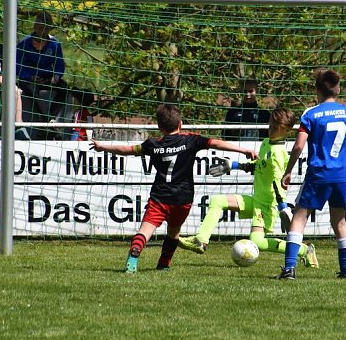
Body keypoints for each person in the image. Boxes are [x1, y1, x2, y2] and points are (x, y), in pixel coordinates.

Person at [89, 104, 257, 274]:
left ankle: (135, 252)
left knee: (145, 231)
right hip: (182, 199)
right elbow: (216, 144)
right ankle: (164, 264)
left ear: (159, 127)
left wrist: (102, 147)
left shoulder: (153, 144)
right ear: (180, 124)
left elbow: (127, 150)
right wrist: (243, 150)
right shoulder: (190, 140)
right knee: (173, 232)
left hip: (159, 197)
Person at [177, 106, 318, 267]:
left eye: (275, 127)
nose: (270, 129)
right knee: (218, 201)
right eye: (270, 125)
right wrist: (233, 165)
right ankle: (200, 241)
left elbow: (277, 181)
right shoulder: (266, 143)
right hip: (256, 199)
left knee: (257, 241)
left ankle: (304, 249)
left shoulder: (279, 153)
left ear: (286, 130)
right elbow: (258, 166)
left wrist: (282, 207)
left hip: (267, 205)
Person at [278, 69, 346, 281]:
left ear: (317, 90)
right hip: (342, 176)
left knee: (299, 217)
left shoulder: (310, 114)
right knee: (339, 222)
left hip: (318, 174)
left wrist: (288, 170)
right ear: (338, 90)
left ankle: (289, 269)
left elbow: (298, 146)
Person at [16, 10, 68, 124]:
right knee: (30, 88)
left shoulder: (55, 44)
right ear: (35, 27)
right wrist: (29, 76)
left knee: (64, 87)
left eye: (46, 29)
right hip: (29, 79)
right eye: (40, 28)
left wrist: (56, 76)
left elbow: (59, 64)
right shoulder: (24, 43)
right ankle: (47, 118)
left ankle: (53, 115)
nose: (43, 32)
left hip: (47, 78)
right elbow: (17, 66)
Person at [223, 77, 270, 141]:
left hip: (259, 146)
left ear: (257, 91)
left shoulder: (264, 114)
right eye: (245, 91)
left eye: (251, 91)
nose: (247, 94)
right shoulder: (232, 112)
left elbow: (270, 135)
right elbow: (224, 135)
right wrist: (233, 132)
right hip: (237, 146)